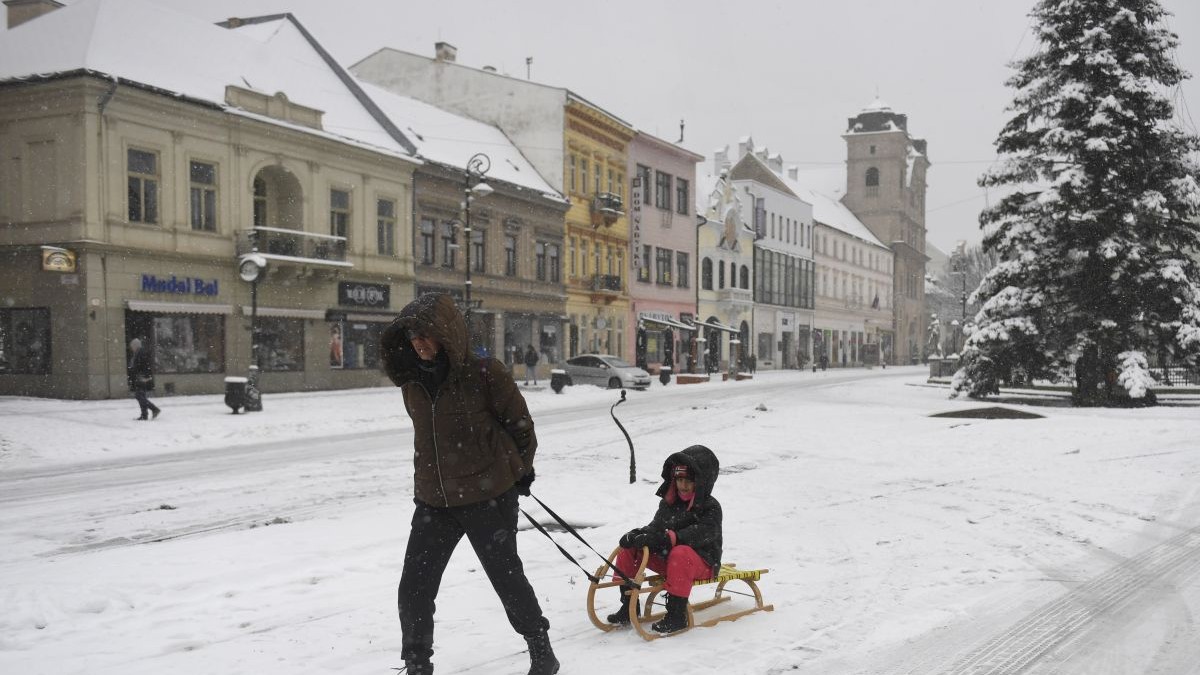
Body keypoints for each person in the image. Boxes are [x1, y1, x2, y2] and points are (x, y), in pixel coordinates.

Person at [381, 293, 558, 675]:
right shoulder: (411, 382)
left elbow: (521, 428)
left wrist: (518, 473)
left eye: (426, 335)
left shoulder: (484, 373)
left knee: (506, 578)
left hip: (488, 497)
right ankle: (416, 665)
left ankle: (540, 648)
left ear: (446, 334)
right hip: (433, 501)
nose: (419, 344)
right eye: (413, 336)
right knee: (413, 587)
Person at [606, 444, 722, 635]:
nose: (682, 486)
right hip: (671, 561)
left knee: (680, 552)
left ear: (700, 482)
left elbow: (702, 533)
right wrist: (637, 535)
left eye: (688, 481)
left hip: (703, 562)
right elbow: (656, 527)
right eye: (679, 480)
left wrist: (670, 539)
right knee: (631, 548)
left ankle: (677, 615)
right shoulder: (669, 503)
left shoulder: (710, 507)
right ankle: (628, 606)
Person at [126, 338, 161, 421]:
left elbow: (142, 365)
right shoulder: (138, 353)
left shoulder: (140, 353)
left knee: (139, 396)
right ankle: (144, 415)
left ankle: (154, 409)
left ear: (136, 346)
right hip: (140, 376)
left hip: (141, 377)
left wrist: (143, 376)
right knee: (142, 395)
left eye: (132, 346)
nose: (132, 348)